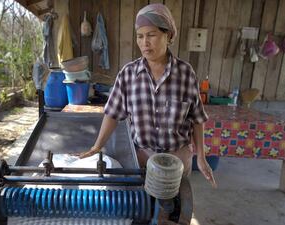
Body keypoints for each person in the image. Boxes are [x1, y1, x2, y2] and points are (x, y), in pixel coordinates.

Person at [77, 3, 216, 188]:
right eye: (140, 36)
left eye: (151, 35)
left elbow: (197, 118)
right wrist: (96, 147)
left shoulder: (185, 74)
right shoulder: (128, 74)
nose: (144, 42)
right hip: (141, 157)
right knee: (142, 209)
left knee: (174, 210)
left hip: (177, 160)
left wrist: (201, 157)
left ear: (169, 36)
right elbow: (112, 114)